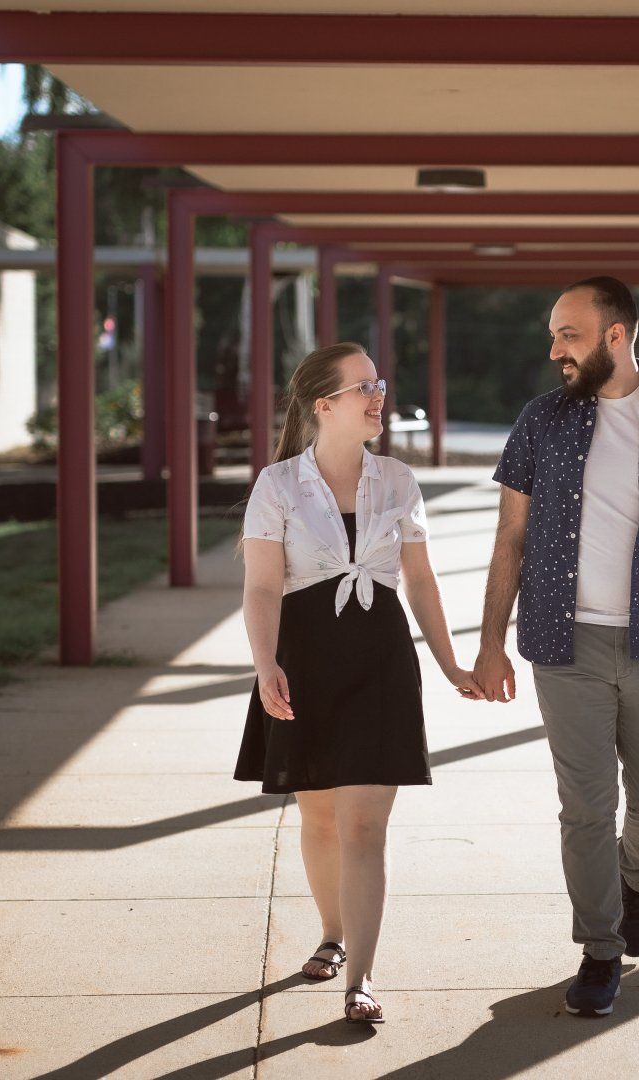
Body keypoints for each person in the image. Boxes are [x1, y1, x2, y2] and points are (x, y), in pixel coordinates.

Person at [473, 276, 639, 1018]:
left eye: (569, 334)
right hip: (564, 643)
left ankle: (635, 879)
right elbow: (511, 538)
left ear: (615, 337)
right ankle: (599, 950)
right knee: (585, 807)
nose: (554, 347)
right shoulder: (540, 422)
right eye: (555, 333)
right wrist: (490, 641)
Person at [235, 342, 483, 1024]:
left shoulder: (399, 481)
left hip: (380, 665)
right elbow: (260, 586)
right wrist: (264, 665)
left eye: (378, 383)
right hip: (304, 661)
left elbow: (422, 582)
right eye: (363, 386)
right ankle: (332, 936)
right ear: (324, 405)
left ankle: (362, 981)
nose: (378, 394)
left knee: (365, 826)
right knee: (318, 818)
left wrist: (450, 664)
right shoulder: (277, 485)